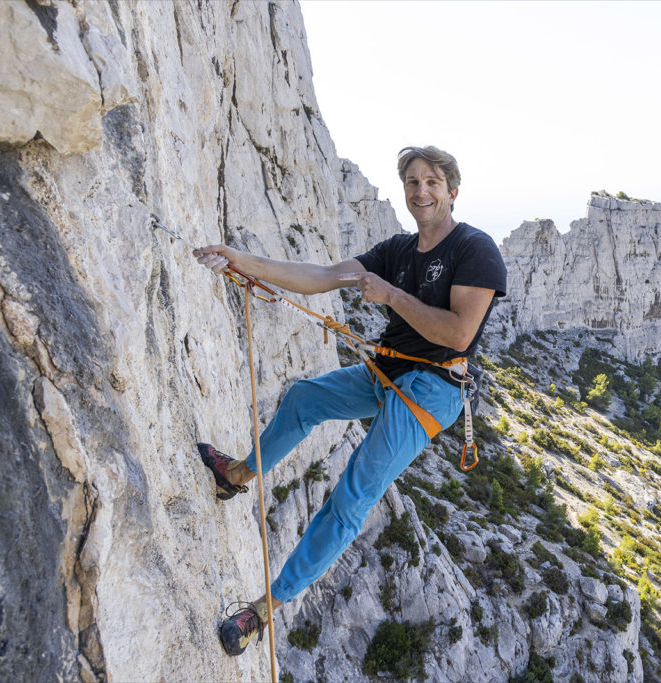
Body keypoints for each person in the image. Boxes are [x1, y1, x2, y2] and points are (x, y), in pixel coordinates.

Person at [193, 146, 507, 656]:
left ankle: (262, 611)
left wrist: (392, 298)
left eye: (431, 182)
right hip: (388, 370)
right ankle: (236, 477)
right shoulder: (399, 250)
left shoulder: (475, 249)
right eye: (411, 182)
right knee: (302, 399)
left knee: (351, 494)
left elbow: (457, 334)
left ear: (452, 192)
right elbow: (321, 277)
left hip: (433, 388)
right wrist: (241, 260)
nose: (420, 190)